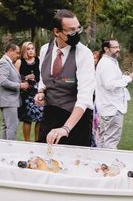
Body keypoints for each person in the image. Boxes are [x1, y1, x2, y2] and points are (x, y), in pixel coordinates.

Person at [35, 9, 95, 146]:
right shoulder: (45, 50)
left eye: (78, 29)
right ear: (57, 32)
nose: (77, 33)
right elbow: (43, 79)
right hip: (50, 115)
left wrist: (66, 128)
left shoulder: (84, 54)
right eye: (71, 30)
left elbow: (85, 98)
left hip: (76, 119)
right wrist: (40, 92)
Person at [95, 39, 133, 149]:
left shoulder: (111, 61)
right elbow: (109, 85)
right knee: (111, 140)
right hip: (112, 108)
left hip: (111, 107)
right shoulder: (106, 64)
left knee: (104, 138)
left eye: (118, 47)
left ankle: (101, 164)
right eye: (114, 47)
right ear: (106, 49)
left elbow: (115, 79)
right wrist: (129, 78)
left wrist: (128, 78)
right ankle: (108, 165)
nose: (118, 50)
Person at [0, 43, 29, 140]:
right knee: (11, 127)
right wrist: (20, 85)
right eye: (17, 53)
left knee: (6, 126)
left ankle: (4, 149)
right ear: (10, 51)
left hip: (9, 100)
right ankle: (11, 150)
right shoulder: (4, 62)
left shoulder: (8, 62)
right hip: (8, 100)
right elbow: (3, 81)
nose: (18, 55)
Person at [15, 41, 43, 142]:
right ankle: (27, 142)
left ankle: (37, 141)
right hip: (26, 94)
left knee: (40, 118)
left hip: (38, 92)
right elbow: (14, 78)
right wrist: (26, 77)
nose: (31, 50)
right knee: (28, 119)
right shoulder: (19, 62)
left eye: (32, 48)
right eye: (28, 49)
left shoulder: (38, 60)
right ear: (24, 50)